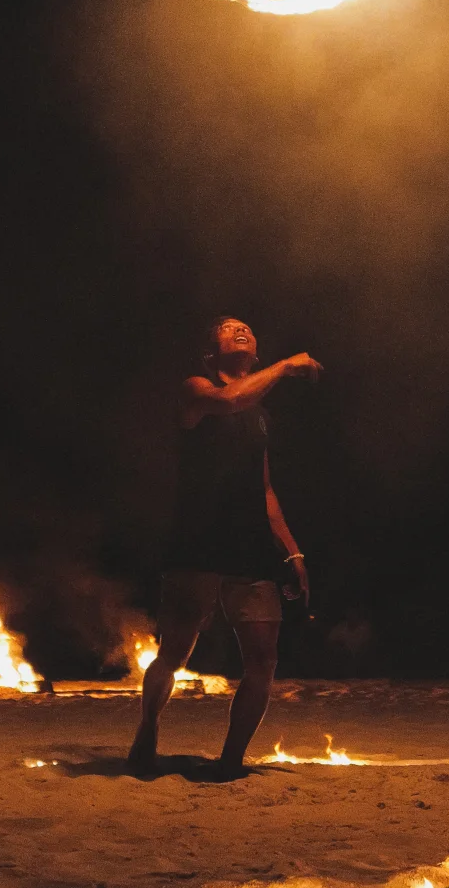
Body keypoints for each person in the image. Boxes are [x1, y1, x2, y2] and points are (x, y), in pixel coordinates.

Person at [129, 316, 322, 778]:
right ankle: (148, 729)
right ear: (210, 353)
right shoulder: (196, 388)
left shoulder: (259, 413)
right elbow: (228, 399)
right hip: (198, 541)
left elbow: (266, 490)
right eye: (227, 327)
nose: (240, 329)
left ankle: (231, 760)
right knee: (174, 652)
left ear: (253, 354)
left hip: (250, 546)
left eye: (248, 328)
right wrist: (286, 366)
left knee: (262, 659)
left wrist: (292, 551)